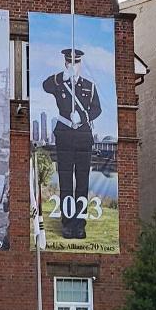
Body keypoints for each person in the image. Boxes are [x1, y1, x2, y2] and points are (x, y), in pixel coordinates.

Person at [42, 48, 101, 239]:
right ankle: (67, 224)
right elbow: (45, 85)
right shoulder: (59, 84)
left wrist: (83, 116)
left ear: (80, 64)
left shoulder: (89, 86)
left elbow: (97, 109)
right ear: (65, 63)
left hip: (83, 136)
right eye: (68, 62)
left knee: (82, 182)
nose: (72, 66)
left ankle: (80, 224)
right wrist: (62, 76)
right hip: (65, 135)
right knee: (66, 182)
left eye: (75, 63)